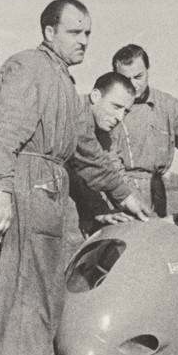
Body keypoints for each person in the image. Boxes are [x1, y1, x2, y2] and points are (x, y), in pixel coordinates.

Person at [0, 0, 151, 355]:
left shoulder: (62, 82)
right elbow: (0, 135)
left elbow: (87, 150)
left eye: (88, 32)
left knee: (44, 298)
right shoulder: (28, 68)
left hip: (50, 189)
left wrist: (125, 194)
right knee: (28, 299)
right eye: (75, 32)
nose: (84, 41)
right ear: (49, 33)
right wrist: (1, 189)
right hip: (29, 185)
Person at [111, 44, 178, 216]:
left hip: (155, 193)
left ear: (148, 70)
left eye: (138, 76)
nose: (133, 84)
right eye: (125, 78)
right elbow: (106, 159)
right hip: (117, 194)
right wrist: (126, 194)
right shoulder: (108, 107)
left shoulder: (167, 105)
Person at [69, 72, 138, 236]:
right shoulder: (74, 112)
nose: (120, 117)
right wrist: (98, 208)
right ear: (95, 96)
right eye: (116, 107)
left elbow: (112, 168)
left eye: (126, 111)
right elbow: (84, 166)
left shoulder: (103, 129)